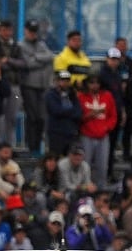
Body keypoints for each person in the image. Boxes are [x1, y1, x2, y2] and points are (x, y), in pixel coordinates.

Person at [11, 20, 54, 155]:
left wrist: (36, 57)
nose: (33, 34)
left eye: (35, 31)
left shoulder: (41, 44)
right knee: (32, 116)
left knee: (42, 118)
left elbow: (50, 56)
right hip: (29, 85)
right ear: (25, 31)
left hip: (43, 85)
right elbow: (27, 64)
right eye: (30, 31)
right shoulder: (20, 45)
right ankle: (31, 147)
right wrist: (40, 60)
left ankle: (38, 146)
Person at [78, 74, 117, 189]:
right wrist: (88, 116)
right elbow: (78, 116)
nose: (95, 86)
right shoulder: (81, 97)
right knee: (86, 164)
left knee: (103, 166)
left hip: (103, 136)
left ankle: (102, 190)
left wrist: (107, 127)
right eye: (92, 83)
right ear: (87, 84)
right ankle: (85, 188)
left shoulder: (107, 96)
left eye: (97, 83)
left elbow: (113, 115)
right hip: (87, 135)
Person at [44, 70, 82, 157]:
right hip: (56, 133)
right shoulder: (51, 95)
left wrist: (66, 112)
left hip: (71, 133)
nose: (65, 83)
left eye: (67, 80)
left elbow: (78, 113)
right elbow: (56, 111)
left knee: (70, 159)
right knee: (55, 158)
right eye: (62, 80)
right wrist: (71, 111)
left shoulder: (72, 95)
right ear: (57, 81)